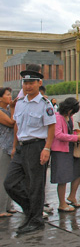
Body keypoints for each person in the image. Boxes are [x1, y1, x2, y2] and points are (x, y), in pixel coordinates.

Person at [3, 69, 56, 234]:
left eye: (31, 82)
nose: (27, 86)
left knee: (35, 185)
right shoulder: (20, 102)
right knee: (10, 183)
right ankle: (33, 212)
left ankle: (35, 220)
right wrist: (14, 146)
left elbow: (51, 126)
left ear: (39, 83)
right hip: (21, 147)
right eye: (25, 83)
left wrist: (47, 148)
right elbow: (17, 124)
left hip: (37, 146)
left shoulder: (45, 104)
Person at [51, 98, 80, 212]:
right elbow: (58, 135)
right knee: (63, 177)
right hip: (61, 149)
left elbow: (70, 130)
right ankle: (62, 203)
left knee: (79, 170)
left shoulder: (69, 117)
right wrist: (75, 137)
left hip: (70, 148)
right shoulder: (58, 117)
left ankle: (72, 196)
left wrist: (77, 134)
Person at [0, 87, 16, 218]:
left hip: (10, 147)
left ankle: (9, 206)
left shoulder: (6, 110)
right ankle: (1, 208)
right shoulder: (0, 111)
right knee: (3, 178)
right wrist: (12, 108)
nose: (10, 97)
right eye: (7, 95)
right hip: (3, 147)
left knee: (10, 178)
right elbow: (12, 123)